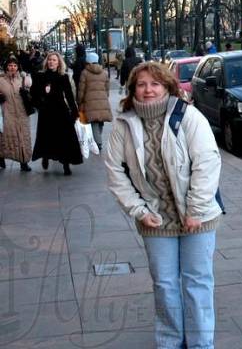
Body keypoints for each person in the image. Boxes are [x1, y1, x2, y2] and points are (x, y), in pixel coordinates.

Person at [105, 62, 222, 349]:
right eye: (142, 84)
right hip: (154, 218)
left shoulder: (188, 116)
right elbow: (115, 172)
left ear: (167, 87)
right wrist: (139, 211)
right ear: (133, 89)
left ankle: (200, 344)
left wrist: (195, 210)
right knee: (165, 285)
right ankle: (170, 341)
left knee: (197, 283)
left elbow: (207, 163)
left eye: (155, 84)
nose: (148, 90)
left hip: (198, 216)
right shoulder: (124, 124)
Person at [30, 52, 82, 175]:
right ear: (46, 62)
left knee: (64, 137)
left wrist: (74, 112)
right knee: (46, 136)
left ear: (59, 63)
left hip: (60, 110)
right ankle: (45, 156)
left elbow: (69, 95)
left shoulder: (63, 76)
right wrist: (40, 102)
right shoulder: (40, 76)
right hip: (46, 111)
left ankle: (66, 164)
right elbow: (34, 94)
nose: (51, 62)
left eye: (54, 60)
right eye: (49, 60)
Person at [0, 56, 33, 171]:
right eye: (10, 65)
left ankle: (23, 162)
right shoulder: (0, 80)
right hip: (7, 114)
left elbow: (32, 95)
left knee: (23, 137)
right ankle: (1, 158)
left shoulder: (24, 79)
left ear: (18, 67)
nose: (12, 68)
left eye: (14, 65)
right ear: (6, 67)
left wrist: (28, 94)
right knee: (5, 138)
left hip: (22, 113)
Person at [77, 52, 112, 152]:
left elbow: (81, 90)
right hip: (103, 101)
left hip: (89, 102)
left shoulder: (85, 73)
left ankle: (98, 142)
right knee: (100, 121)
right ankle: (98, 139)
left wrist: (79, 101)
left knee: (94, 123)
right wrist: (105, 97)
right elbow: (107, 89)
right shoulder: (104, 72)